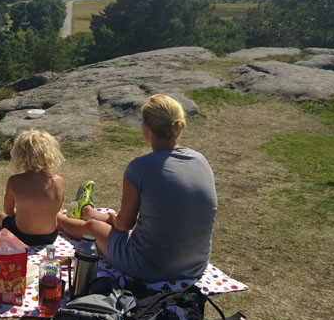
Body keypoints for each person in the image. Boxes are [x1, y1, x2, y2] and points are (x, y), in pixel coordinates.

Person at [57, 94, 217, 282]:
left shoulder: (141, 167)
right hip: (195, 265)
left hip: (150, 265)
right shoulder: (200, 160)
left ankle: (58, 217)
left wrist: (114, 221)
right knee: (117, 218)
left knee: (93, 228)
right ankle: (86, 210)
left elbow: (124, 225)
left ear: (146, 129)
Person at [0, 129, 65, 246]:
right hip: (50, 236)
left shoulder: (15, 181)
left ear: (19, 155)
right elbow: (56, 209)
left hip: (22, 235)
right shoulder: (59, 181)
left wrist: (23, 212)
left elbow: (9, 211)